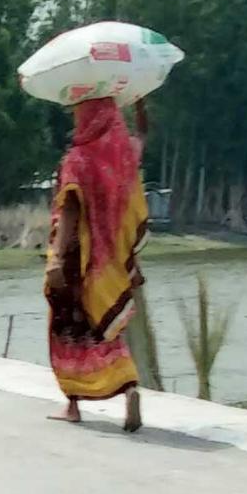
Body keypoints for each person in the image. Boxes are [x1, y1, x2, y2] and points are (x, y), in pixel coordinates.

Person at [45, 97, 149, 429]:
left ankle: (73, 404)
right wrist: (140, 107)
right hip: (111, 259)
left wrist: (57, 260)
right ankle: (129, 385)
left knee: (69, 328)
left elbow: (71, 212)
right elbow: (143, 137)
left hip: (78, 259)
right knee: (105, 325)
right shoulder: (122, 158)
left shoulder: (77, 160)